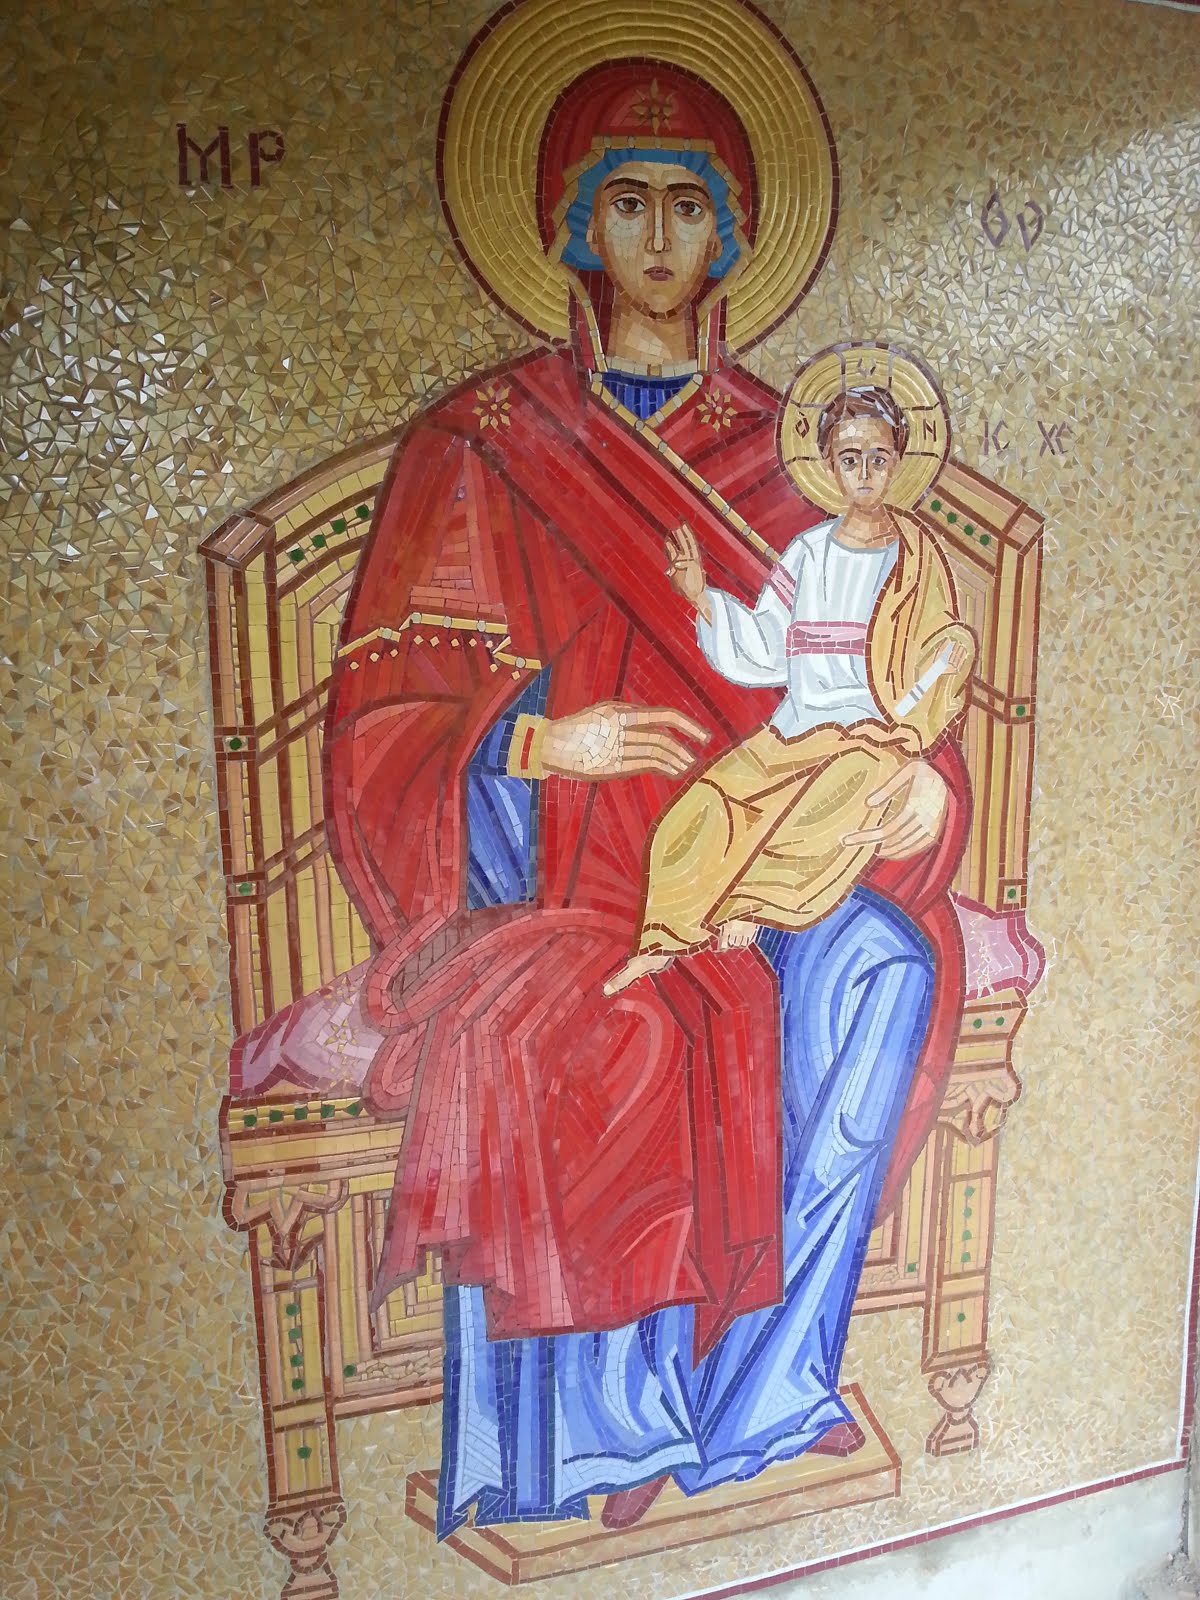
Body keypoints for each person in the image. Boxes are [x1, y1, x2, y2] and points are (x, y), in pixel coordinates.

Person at [325, 56, 971, 1535]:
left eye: (691, 204)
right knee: (613, 1026)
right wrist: (541, 747)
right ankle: (601, 1440)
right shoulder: (484, 444)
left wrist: (920, 798)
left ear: (733, 231)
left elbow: (885, 676)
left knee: (883, 970)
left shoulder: (801, 457)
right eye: (628, 202)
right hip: (555, 870)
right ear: (575, 226)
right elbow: (383, 726)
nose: (662, 237)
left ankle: (762, 1393)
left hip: (774, 851)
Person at [606, 386, 973, 995]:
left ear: (897, 463)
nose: (864, 472)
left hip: (870, 738)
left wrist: (939, 678)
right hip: (793, 730)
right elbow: (765, 647)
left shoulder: (917, 560)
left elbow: (944, 644)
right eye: (849, 458)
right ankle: (661, 939)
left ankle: (751, 906)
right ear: (829, 465)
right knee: (704, 806)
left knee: (828, 808)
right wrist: (701, 598)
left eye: (877, 458)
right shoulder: (809, 553)